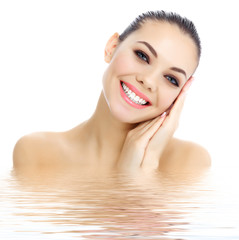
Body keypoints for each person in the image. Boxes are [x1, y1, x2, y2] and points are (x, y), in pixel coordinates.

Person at [13, 10, 211, 175]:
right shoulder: (35, 152)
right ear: (112, 47)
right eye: (142, 56)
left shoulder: (191, 163)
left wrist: (137, 175)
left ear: (181, 94)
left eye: (171, 79)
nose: (149, 81)